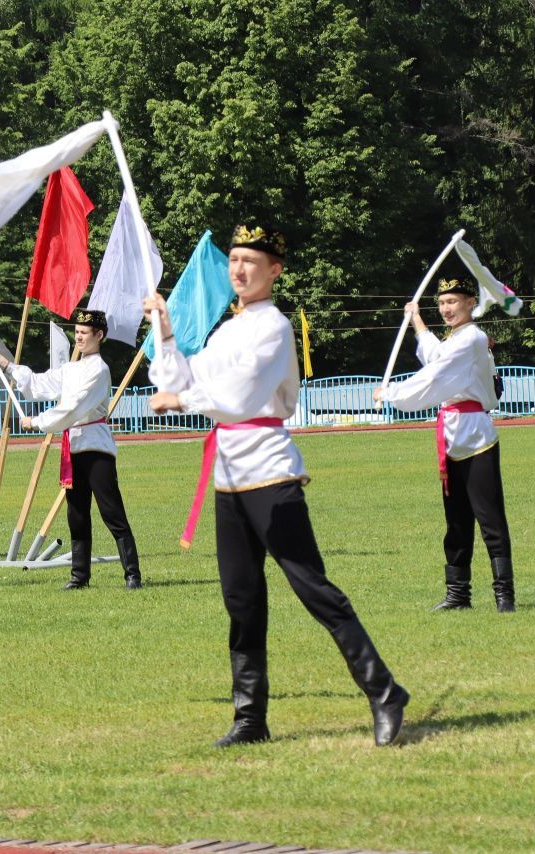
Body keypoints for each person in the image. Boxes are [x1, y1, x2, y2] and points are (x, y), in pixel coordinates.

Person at [144, 223, 408, 748]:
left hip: (270, 471)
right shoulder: (228, 328)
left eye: (251, 261)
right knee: (241, 601)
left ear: (274, 270)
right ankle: (250, 718)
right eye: (234, 259)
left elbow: (238, 396)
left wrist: (181, 403)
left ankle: (383, 691)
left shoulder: (274, 328)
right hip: (228, 479)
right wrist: (166, 331)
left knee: (313, 589)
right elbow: (181, 378)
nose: (239, 269)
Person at [373, 278, 515, 612]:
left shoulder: (473, 339)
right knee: (456, 522)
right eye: (442, 303)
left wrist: (391, 393)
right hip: (451, 437)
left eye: (452, 301)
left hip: (476, 437)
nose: (446, 309)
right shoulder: (456, 341)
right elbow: (437, 355)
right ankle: (458, 596)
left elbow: (434, 374)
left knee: (490, 519)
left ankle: (504, 597)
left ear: (470, 302)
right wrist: (418, 319)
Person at [0, 308, 141, 590]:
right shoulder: (72, 369)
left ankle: (132, 575)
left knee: (111, 512)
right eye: (76, 333)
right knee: (76, 514)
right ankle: (79, 577)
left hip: (96, 449)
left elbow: (73, 408)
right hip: (73, 448)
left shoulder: (99, 370)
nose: (78, 338)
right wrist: (7, 365)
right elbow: (42, 383)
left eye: (84, 333)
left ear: (99, 335)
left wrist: (37, 422)